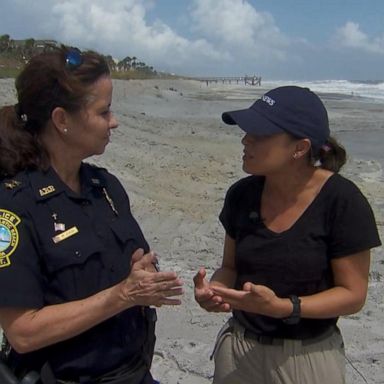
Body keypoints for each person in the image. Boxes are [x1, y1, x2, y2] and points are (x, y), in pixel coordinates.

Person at [0, 45, 183, 384]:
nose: (114, 122)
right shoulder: (13, 207)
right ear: (61, 120)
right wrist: (122, 295)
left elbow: (133, 263)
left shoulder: (105, 187)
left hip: (135, 374)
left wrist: (143, 273)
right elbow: (23, 332)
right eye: (103, 112)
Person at [194, 86, 381, 384]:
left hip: (307, 359)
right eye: (247, 131)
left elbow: (353, 296)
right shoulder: (242, 194)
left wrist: (285, 307)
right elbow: (230, 267)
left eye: (260, 134)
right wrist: (216, 291)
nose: (245, 140)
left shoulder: (343, 201)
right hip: (239, 351)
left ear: (300, 147)